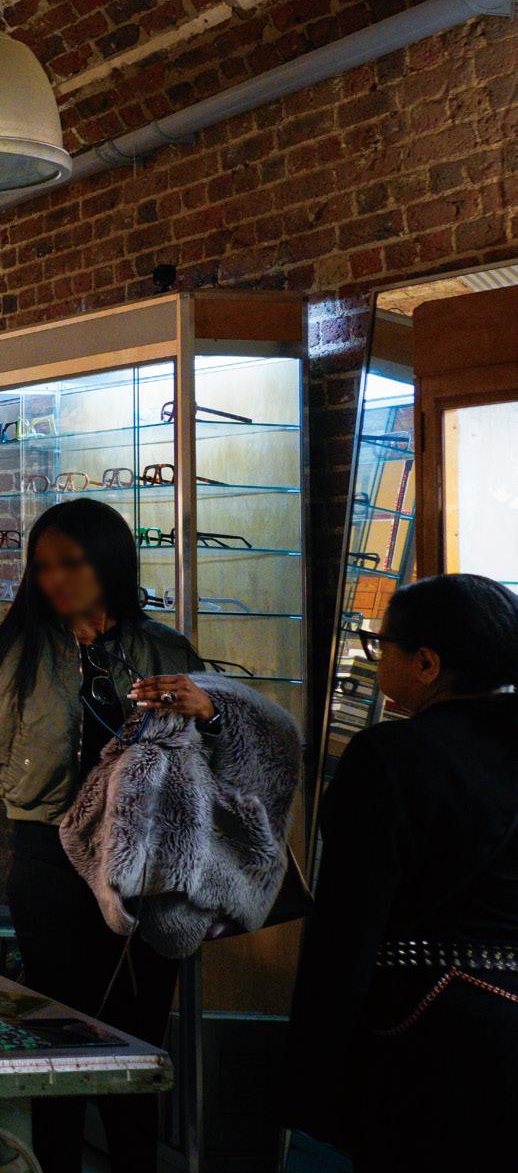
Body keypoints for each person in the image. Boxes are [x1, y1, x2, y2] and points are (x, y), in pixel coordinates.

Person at [0, 498, 220, 1173]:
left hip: (145, 860)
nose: (55, 579)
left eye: (72, 562)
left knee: (138, 1029)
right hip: (46, 854)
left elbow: (222, 761)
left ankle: (134, 1160)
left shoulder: (163, 647)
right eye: (43, 565)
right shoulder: (17, 650)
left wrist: (210, 711)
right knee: (57, 1030)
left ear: (108, 562)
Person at [281, 573, 518, 1173]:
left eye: (380, 644)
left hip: (428, 1035)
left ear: (427, 663)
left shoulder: (391, 755)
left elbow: (349, 927)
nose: (375, 656)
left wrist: (311, 1075)